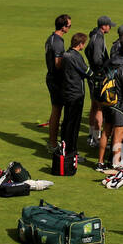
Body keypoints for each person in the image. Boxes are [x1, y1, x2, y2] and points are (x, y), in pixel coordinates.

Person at [98, 41, 123, 171]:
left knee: (106, 131)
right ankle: (115, 163)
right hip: (119, 104)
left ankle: (100, 162)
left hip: (106, 102)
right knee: (119, 134)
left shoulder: (109, 62)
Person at [59, 32, 91, 161]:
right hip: (76, 94)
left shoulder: (66, 54)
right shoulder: (76, 56)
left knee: (67, 123)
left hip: (67, 92)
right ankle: (72, 153)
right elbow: (87, 72)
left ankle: (64, 149)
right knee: (73, 125)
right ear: (80, 44)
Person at [43, 14, 72, 150]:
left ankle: (53, 142)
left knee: (56, 110)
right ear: (63, 26)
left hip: (51, 77)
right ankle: (53, 144)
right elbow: (58, 63)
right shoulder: (58, 41)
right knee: (57, 111)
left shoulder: (51, 38)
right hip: (56, 79)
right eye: (69, 26)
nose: (69, 28)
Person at [86, 16, 113, 149]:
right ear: (104, 26)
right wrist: (104, 69)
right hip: (98, 76)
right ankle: (96, 137)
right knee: (99, 107)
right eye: (109, 25)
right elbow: (97, 59)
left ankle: (91, 135)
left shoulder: (94, 35)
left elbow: (87, 51)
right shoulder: (98, 38)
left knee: (94, 106)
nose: (110, 27)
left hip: (94, 75)